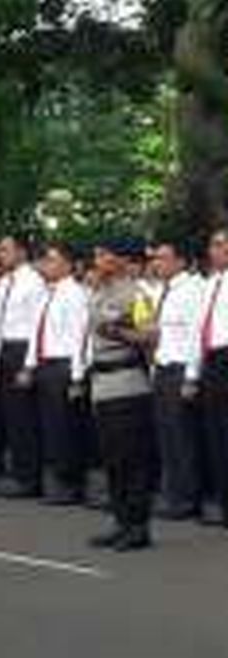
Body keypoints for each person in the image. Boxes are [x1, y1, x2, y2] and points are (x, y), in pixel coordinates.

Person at [87, 238, 156, 551]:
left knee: (131, 459)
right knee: (113, 460)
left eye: (103, 254)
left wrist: (117, 332)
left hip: (127, 383)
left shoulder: (135, 293)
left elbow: (150, 335)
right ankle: (121, 522)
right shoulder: (99, 291)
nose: (97, 260)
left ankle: (138, 527)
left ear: (119, 259)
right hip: (102, 384)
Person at [24, 242, 90, 505]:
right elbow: (35, 331)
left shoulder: (74, 293)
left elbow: (78, 336)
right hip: (45, 364)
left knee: (64, 427)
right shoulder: (46, 293)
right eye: (46, 260)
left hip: (63, 366)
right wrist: (29, 365)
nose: (47, 265)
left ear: (67, 264)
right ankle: (56, 481)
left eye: (52, 260)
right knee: (48, 426)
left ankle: (69, 483)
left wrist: (76, 376)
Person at [149, 238, 205, 521]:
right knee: (166, 435)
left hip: (181, 368)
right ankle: (172, 492)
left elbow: (196, 334)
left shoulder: (193, 289)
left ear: (181, 261)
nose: (157, 263)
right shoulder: (162, 290)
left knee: (183, 436)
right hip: (162, 367)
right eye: (156, 258)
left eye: (163, 258)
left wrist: (192, 376)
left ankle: (187, 497)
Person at [0, 235, 49, 498]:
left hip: (23, 349)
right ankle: (19, 472)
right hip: (5, 348)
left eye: (5, 250)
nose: (0, 255)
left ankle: (30, 478)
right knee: (10, 416)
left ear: (21, 252)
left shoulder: (33, 281)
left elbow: (35, 324)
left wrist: (28, 365)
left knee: (25, 417)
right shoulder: (4, 282)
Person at [194, 228, 228, 527]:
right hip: (212, 360)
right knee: (215, 432)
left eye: (220, 244)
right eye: (212, 244)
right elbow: (199, 329)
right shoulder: (209, 283)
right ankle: (221, 498)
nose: (214, 250)